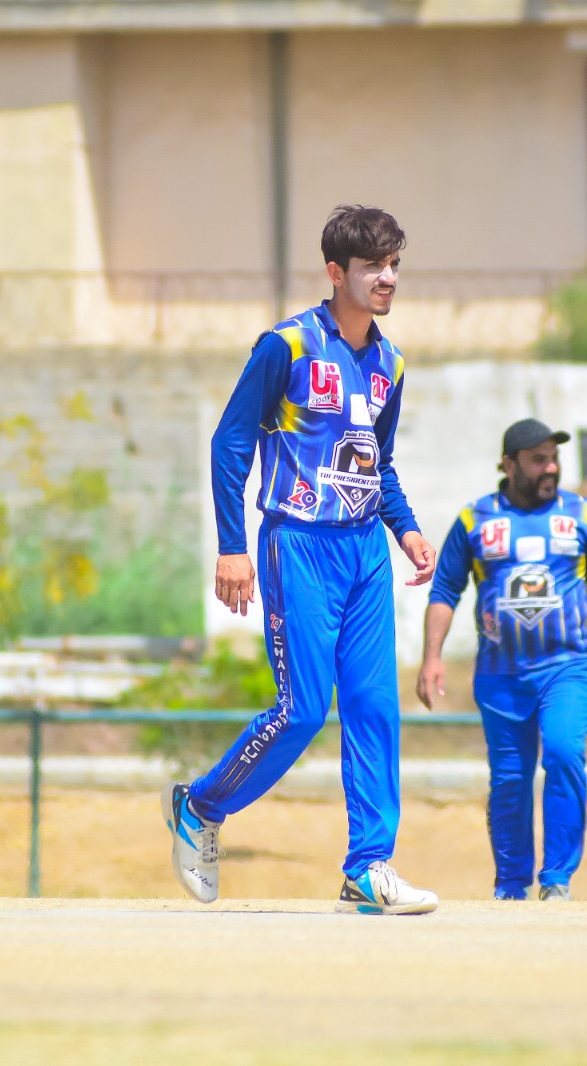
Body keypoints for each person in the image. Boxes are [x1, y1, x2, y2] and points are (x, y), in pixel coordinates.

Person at [162, 204, 439, 916]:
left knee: (374, 707)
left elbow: (378, 462)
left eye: (394, 265)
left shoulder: (391, 364)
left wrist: (406, 529)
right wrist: (231, 546)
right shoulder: (286, 347)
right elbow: (231, 443)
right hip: (298, 544)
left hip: (365, 551)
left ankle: (368, 868)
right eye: (373, 266)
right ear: (336, 273)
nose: (388, 278)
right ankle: (201, 806)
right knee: (303, 709)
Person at [415, 419, 587, 901]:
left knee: (563, 753)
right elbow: (445, 590)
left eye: (553, 458)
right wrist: (432, 657)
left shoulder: (582, 516)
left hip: (567, 668)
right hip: (501, 676)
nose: (550, 468)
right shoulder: (474, 520)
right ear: (509, 465)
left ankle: (556, 879)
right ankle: (511, 886)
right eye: (538, 460)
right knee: (510, 780)